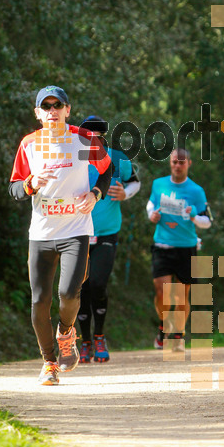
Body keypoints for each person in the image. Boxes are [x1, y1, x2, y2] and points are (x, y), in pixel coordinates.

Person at [9, 86, 112, 384]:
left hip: (76, 230)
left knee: (68, 293)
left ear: (68, 110)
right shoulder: (29, 145)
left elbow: (107, 170)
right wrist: (30, 183)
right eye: (47, 106)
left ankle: (66, 331)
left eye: (58, 106)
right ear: (38, 113)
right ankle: (49, 363)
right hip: (41, 233)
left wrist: (95, 193)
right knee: (39, 301)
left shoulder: (82, 139)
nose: (52, 111)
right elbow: (14, 187)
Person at [76, 116, 141, 363]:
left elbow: (135, 182)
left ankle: (100, 335)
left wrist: (125, 193)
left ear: (104, 137)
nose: (93, 141)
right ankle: (85, 342)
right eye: (87, 137)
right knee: (80, 287)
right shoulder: (74, 159)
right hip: (78, 231)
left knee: (98, 284)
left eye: (98, 137)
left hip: (107, 231)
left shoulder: (117, 157)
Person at [147, 148, 212, 352]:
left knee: (181, 296)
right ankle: (163, 325)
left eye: (182, 162)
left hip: (186, 248)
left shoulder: (196, 191)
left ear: (189, 164)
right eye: (175, 162)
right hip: (162, 245)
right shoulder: (159, 184)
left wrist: (194, 216)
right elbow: (150, 205)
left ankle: (178, 334)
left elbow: (207, 222)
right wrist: (152, 215)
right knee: (161, 292)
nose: (177, 165)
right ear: (170, 162)